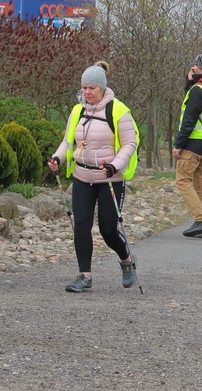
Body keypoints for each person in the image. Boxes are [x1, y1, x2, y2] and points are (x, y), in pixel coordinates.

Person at [48, 63, 139, 292]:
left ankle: (126, 259)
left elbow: (130, 144)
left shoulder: (118, 111)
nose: (87, 93)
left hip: (110, 178)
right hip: (82, 176)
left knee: (108, 229)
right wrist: (58, 158)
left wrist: (115, 165)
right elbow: (68, 141)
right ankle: (84, 276)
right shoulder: (78, 111)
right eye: (84, 88)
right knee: (81, 226)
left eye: (92, 88)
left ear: (102, 88)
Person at [172, 53, 202, 239]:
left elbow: (189, 119)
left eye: (195, 65)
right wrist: (189, 82)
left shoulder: (198, 90)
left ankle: (201, 220)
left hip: (193, 143)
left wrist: (178, 144)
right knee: (200, 180)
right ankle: (200, 223)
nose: (192, 67)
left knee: (183, 180)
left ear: (200, 68)